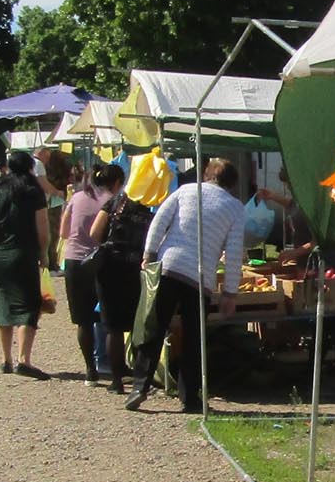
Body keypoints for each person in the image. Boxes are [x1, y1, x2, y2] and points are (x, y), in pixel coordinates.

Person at [127, 158, 246, 414]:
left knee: (154, 328)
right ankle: (189, 398)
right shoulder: (235, 208)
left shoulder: (185, 190)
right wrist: (230, 292)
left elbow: (159, 221)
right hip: (200, 278)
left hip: (169, 266)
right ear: (232, 183)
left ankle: (139, 387)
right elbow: (235, 252)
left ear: (207, 175)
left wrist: (149, 252)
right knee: (194, 340)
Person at [0, 149, 52, 377]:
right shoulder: (34, 192)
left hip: (0, 255)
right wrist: (44, 253)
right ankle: (24, 359)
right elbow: (43, 229)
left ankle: (6, 359)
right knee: (29, 306)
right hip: (25, 254)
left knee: (4, 306)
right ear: (30, 167)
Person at [91, 162, 149, 392]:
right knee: (136, 324)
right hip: (134, 267)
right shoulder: (147, 209)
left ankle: (116, 382)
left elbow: (95, 233)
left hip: (109, 267)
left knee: (113, 327)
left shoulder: (113, 203)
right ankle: (138, 379)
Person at [57, 167, 112, 385]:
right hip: (102, 261)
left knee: (83, 320)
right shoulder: (112, 200)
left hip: (75, 260)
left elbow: (63, 232)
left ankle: (90, 369)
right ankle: (111, 363)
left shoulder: (76, 197)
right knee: (106, 317)